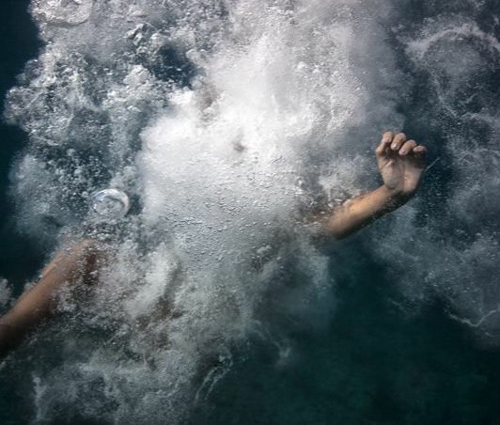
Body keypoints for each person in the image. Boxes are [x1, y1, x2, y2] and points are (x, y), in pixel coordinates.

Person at [0, 131, 426, 359]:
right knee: (82, 254)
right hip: (145, 290)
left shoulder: (274, 197)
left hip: (192, 322)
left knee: (193, 339)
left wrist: (392, 194)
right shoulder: (186, 146)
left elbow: (334, 220)